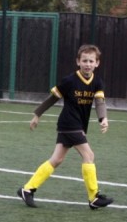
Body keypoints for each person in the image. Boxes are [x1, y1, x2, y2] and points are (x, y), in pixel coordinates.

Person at [17, 44, 114, 210]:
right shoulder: (69, 80)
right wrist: (37, 114)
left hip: (75, 125)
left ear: (97, 63)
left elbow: (99, 102)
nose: (88, 64)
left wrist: (103, 118)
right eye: (84, 60)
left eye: (91, 61)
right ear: (78, 61)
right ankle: (94, 197)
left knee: (56, 160)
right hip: (69, 123)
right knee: (89, 155)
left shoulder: (97, 82)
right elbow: (52, 98)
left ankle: (28, 189)